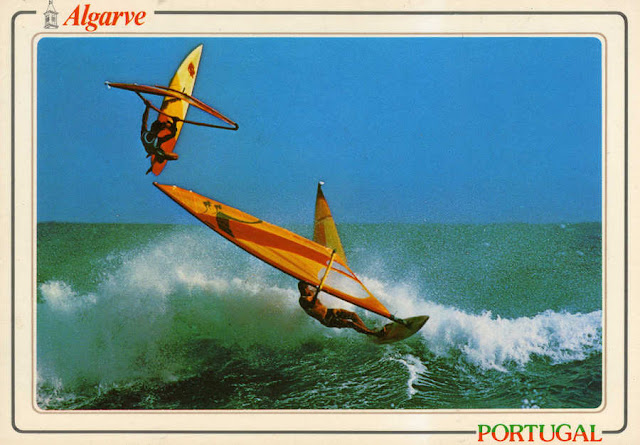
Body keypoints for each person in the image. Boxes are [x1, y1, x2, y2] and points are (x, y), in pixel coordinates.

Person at [297, 281, 384, 337]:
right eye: (302, 289)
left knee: (353, 315)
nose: (304, 290)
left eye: (305, 288)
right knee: (351, 324)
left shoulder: (311, 292)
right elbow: (311, 304)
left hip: (330, 311)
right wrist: (317, 293)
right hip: (327, 319)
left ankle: (367, 331)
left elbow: (319, 287)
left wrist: (321, 283)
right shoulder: (302, 300)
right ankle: (374, 334)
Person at [140, 103, 180, 174]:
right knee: (174, 156)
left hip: (150, 148)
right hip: (155, 150)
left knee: (166, 127)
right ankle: (159, 158)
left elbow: (144, 120)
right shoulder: (157, 141)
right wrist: (175, 123)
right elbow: (172, 135)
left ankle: (167, 124)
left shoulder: (144, 134)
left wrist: (147, 107)